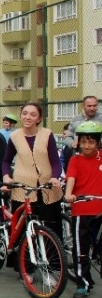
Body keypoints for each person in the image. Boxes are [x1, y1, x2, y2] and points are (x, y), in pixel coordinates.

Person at [1, 103, 63, 244]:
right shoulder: (14, 136)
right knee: (23, 229)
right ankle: (25, 263)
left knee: (50, 228)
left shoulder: (47, 135)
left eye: (33, 115)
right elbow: (6, 161)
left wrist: (55, 177)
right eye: (25, 113)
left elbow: (56, 162)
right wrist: (6, 177)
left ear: (39, 118)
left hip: (47, 188)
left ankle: (53, 263)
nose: (28, 117)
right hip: (23, 189)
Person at [63, 122, 102, 298]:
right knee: (81, 249)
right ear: (78, 142)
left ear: (98, 143)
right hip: (81, 208)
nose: (87, 146)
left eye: (91, 142)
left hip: (99, 206)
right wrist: (69, 193)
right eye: (84, 142)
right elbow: (71, 178)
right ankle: (83, 283)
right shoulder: (75, 159)